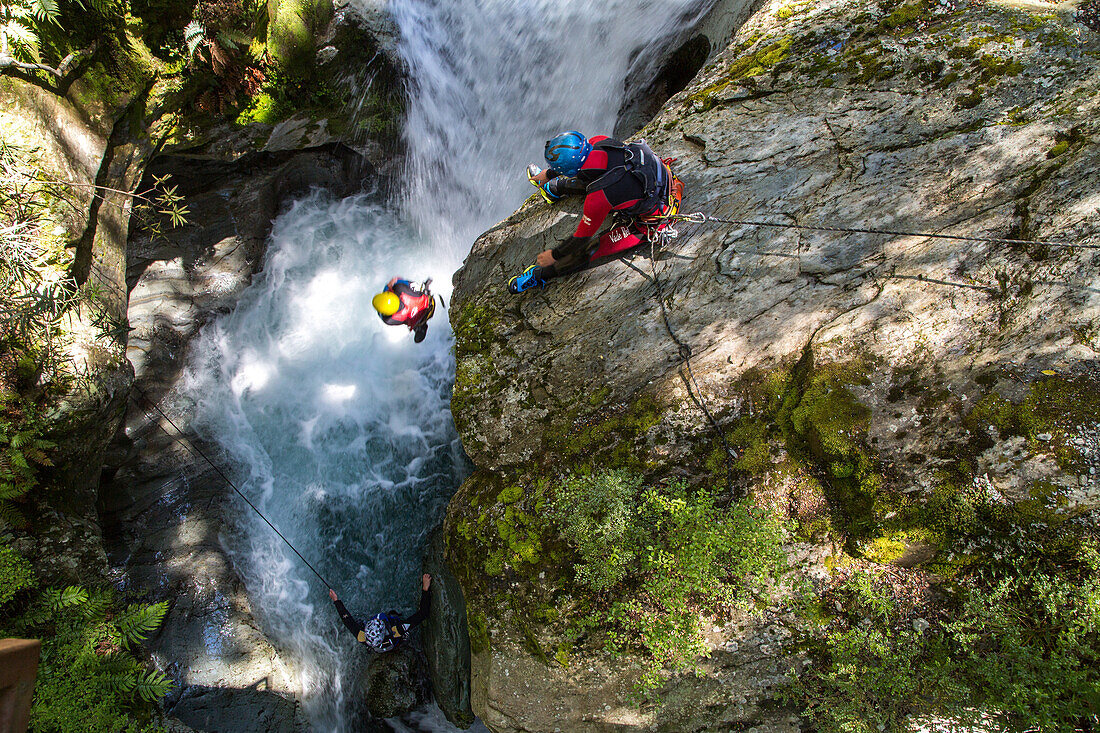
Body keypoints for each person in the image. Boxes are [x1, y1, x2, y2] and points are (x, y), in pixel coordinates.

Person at [508, 130, 684, 294]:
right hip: (663, 181)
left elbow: (579, 240)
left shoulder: (597, 200)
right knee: (591, 177)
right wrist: (549, 174)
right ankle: (552, 188)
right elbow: (585, 168)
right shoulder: (599, 141)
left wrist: (554, 255)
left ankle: (539, 275)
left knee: (589, 251)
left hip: (652, 222)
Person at [329, 573, 432, 652]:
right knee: (400, 625)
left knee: (357, 621)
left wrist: (336, 601)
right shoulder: (397, 630)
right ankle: (404, 639)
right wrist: (425, 589)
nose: (376, 619)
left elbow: (347, 620)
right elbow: (423, 613)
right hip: (395, 640)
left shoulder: (362, 637)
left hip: (379, 646)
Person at [372, 277, 435, 342]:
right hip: (428, 304)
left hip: (423, 315)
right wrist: (388, 286)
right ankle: (419, 326)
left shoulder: (388, 319)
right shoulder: (399, 288)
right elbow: (397, 280)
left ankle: (419, 327)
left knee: (408, 318)